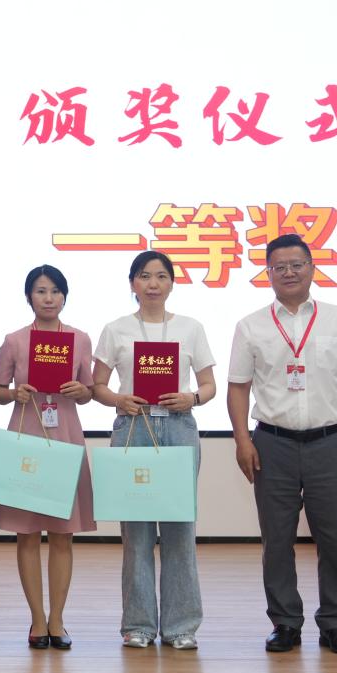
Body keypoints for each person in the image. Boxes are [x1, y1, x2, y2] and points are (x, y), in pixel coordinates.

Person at [227, 234, 337, 656]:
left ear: (312, 268)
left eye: (297, 264)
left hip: (331, 442)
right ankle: (285, 623)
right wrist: (242, 440)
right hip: (272, 444)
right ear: (268, 273)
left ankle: (335, 624)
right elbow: (238, 388)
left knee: (334, 539)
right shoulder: (251, 326)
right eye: (279, 267)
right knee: (277, 540)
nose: (289, 272)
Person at [91, 250, 216, 651]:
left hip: (178, 426)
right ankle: (139, 625)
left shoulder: (191, 327)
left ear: (172, 283)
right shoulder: (116, 329)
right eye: (144, 276)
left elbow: (209, 385)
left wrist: (193, 398)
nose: (153, 284)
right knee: (136, 532)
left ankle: (181, 626)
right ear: (132, 283)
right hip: (134, 426)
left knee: (180, 529)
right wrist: (118, 399)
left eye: (161, 276)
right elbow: (97, 386)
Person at [0, 264, 95, 650]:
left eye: (55, 291)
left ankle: (58, 620)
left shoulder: (79, 339)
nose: (48, 298)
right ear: (29, 297)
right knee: (27, 533)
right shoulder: (15, 341)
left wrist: (81, 391)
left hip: (65, 435)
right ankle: (37, 620)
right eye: (40, 291)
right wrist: (13, 394)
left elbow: (90, 391)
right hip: (27, 437)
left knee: (63, 534)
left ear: (64, 296)